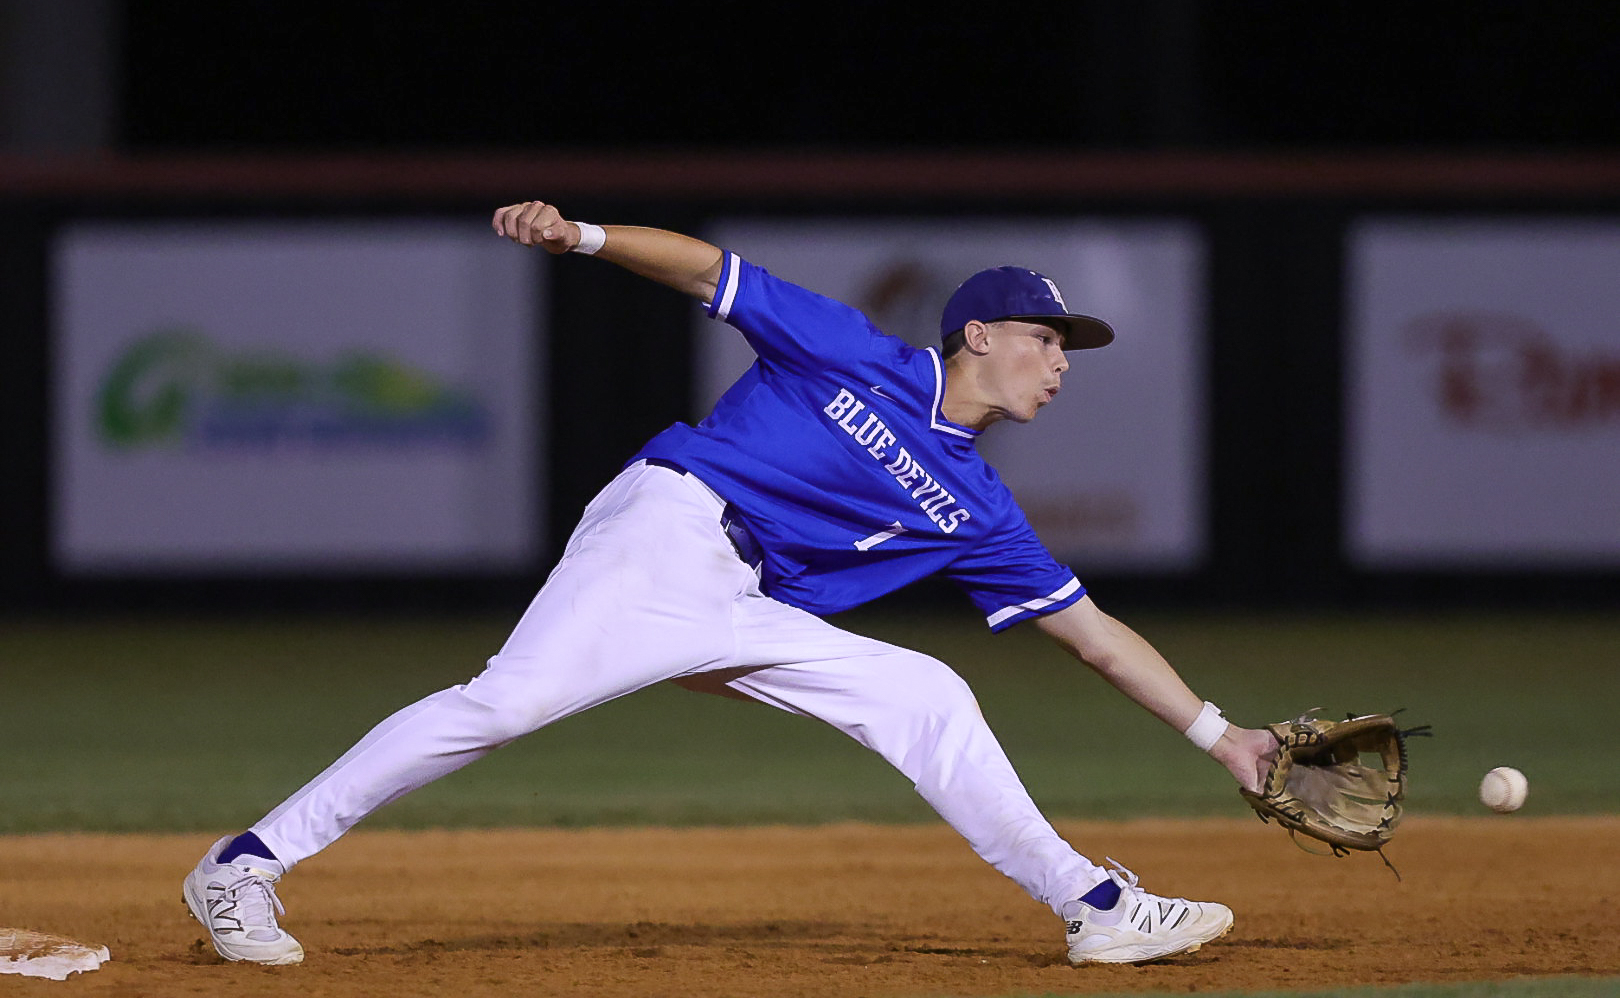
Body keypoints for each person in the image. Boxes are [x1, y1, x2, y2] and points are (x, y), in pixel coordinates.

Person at [182, 201, 1277, 967]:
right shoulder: (864, 358)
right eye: (1046, 338)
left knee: (929, 695)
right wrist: (586, 236)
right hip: (671, 527)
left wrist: (1224, 738)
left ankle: (1094, 908)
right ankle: (246, 863)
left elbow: (1093, 634)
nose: (1061, 362)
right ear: (977, 335)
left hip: (744, 607)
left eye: (1067, 347)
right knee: (507, 703)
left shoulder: (979, 507)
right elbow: (712, 271)